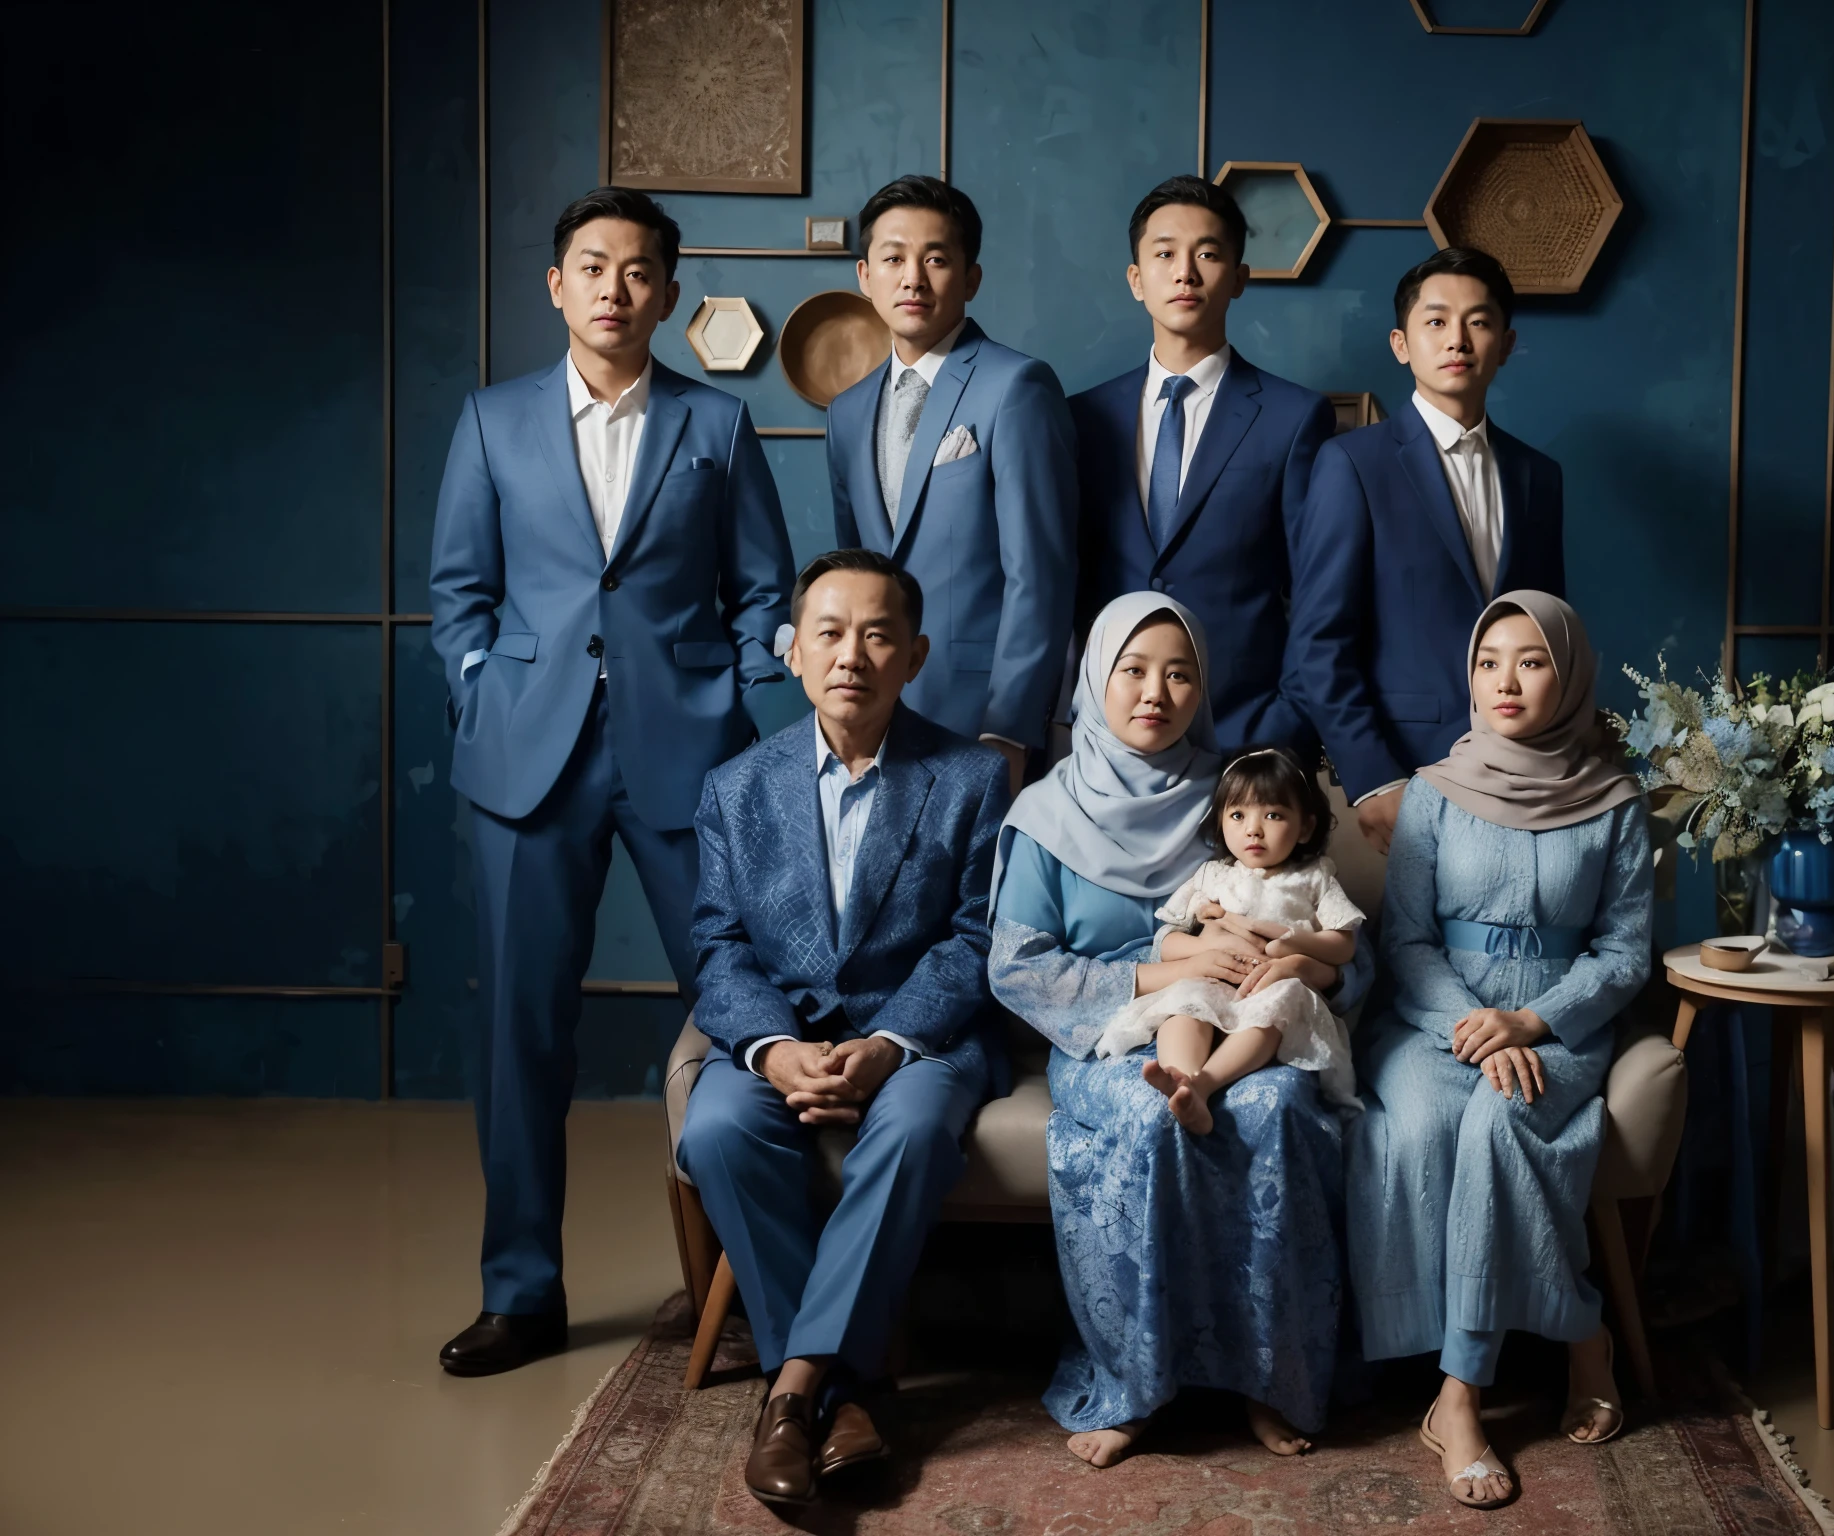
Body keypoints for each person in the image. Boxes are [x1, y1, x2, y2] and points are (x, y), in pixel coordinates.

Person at [429, 187, 793, 1375]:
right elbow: (458, 591)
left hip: (687, 755)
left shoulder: (718, 425)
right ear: (556, 283)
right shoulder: (490, 421)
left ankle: (766, 1286)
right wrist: (482, 688)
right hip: (522, 755)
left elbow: (760, 591)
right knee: (519, 1034)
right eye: (592, 266)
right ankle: (521, 1292)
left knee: (743, 1014)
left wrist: (735, 694)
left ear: (668, 294)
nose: (614, 289)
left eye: (638, 272)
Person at [987, 593, 1365, 1469]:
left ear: (1204, 689)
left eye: (1180, 673)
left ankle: (1270, 1382)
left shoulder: (1241, 797)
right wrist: (1172, 969)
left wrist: (1307, 963)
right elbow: (1017, 968)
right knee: (1154, 1119)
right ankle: (1136, 1382)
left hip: (1249, 1026)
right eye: (1133, 670)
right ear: (1095, 679)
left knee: (1272, 1110)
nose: (1155, 692)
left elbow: (1346, 950)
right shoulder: (1049, 812)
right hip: (1118, 1033)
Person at [678, 549, 1010, 1511]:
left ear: (915, 654)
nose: (851, 655)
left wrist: (888, 1044)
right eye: (828, 632)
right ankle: (848, 1390)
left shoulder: (973, 777)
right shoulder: (735, 787)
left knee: (907, 1131)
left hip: (920, 1038)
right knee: (716, 1128)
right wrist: (775, 1050)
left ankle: (790, 1394)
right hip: (778, 1032)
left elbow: (974, 938)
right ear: (793, 652)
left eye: (877, 634)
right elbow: (720, 945)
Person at [1347, 592, 1650, 1511]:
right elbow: (1403, 941)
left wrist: (1534, 1023)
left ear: (1570, 674)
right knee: (1428, 1119)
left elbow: (1626, 950)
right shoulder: (1434, 790)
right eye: (1488, 662)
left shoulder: (1614, 800)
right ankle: (1568, 1333)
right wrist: (1469, 1027)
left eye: (1530, 660)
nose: (1506, 681)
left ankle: (1463, 1391)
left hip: (1558, 1027)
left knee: (1499, 1118)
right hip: (1438, 1022)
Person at [1288, 247, 1568, 854]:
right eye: (1436, 322)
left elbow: (1551, 635)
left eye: (1479, 322)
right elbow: (1317, 643)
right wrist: (1371, 779)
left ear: (1507, 342)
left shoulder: (1538, 476)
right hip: (1402, 775)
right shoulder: (1351, 464)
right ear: (1401, 343)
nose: (1458, 340)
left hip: (1524, 777)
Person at [827, 174, 1078, 796]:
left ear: (971, 278)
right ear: (865, 276)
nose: (913, 278)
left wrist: (1013, 728)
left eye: (936, 259)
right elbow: (856, 572)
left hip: (982, 720)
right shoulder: (848, 410)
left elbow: (1040, 576)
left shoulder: (1017, 386)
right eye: (893, 259)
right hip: (873, 719)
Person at [1069, 175, 1335, 753]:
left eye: (1208, 254)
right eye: (1164, 254)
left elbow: (1317, 592)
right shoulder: (1081, 418)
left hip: (1242, 734)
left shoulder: (1293, 417)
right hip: (1100, 738)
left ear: (1239, 278)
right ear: (1136, 280)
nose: (1185, 272)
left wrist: (1285, 719)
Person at [1097, 743, 1365, 1130]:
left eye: (1272, 815)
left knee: (1278, 1007)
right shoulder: (1213, 875)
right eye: (1237, 814)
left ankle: (1203, 1086)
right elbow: (1167, 940)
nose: (1253, 829)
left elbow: (1343, 945)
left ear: (1305, 827)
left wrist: (1289, 943)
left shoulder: (1315, 877)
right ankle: (1181, 1079)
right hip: (1214, 982)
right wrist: (1203, 947)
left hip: (1269, 989)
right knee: (1186, 1002)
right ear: (1220, 821)